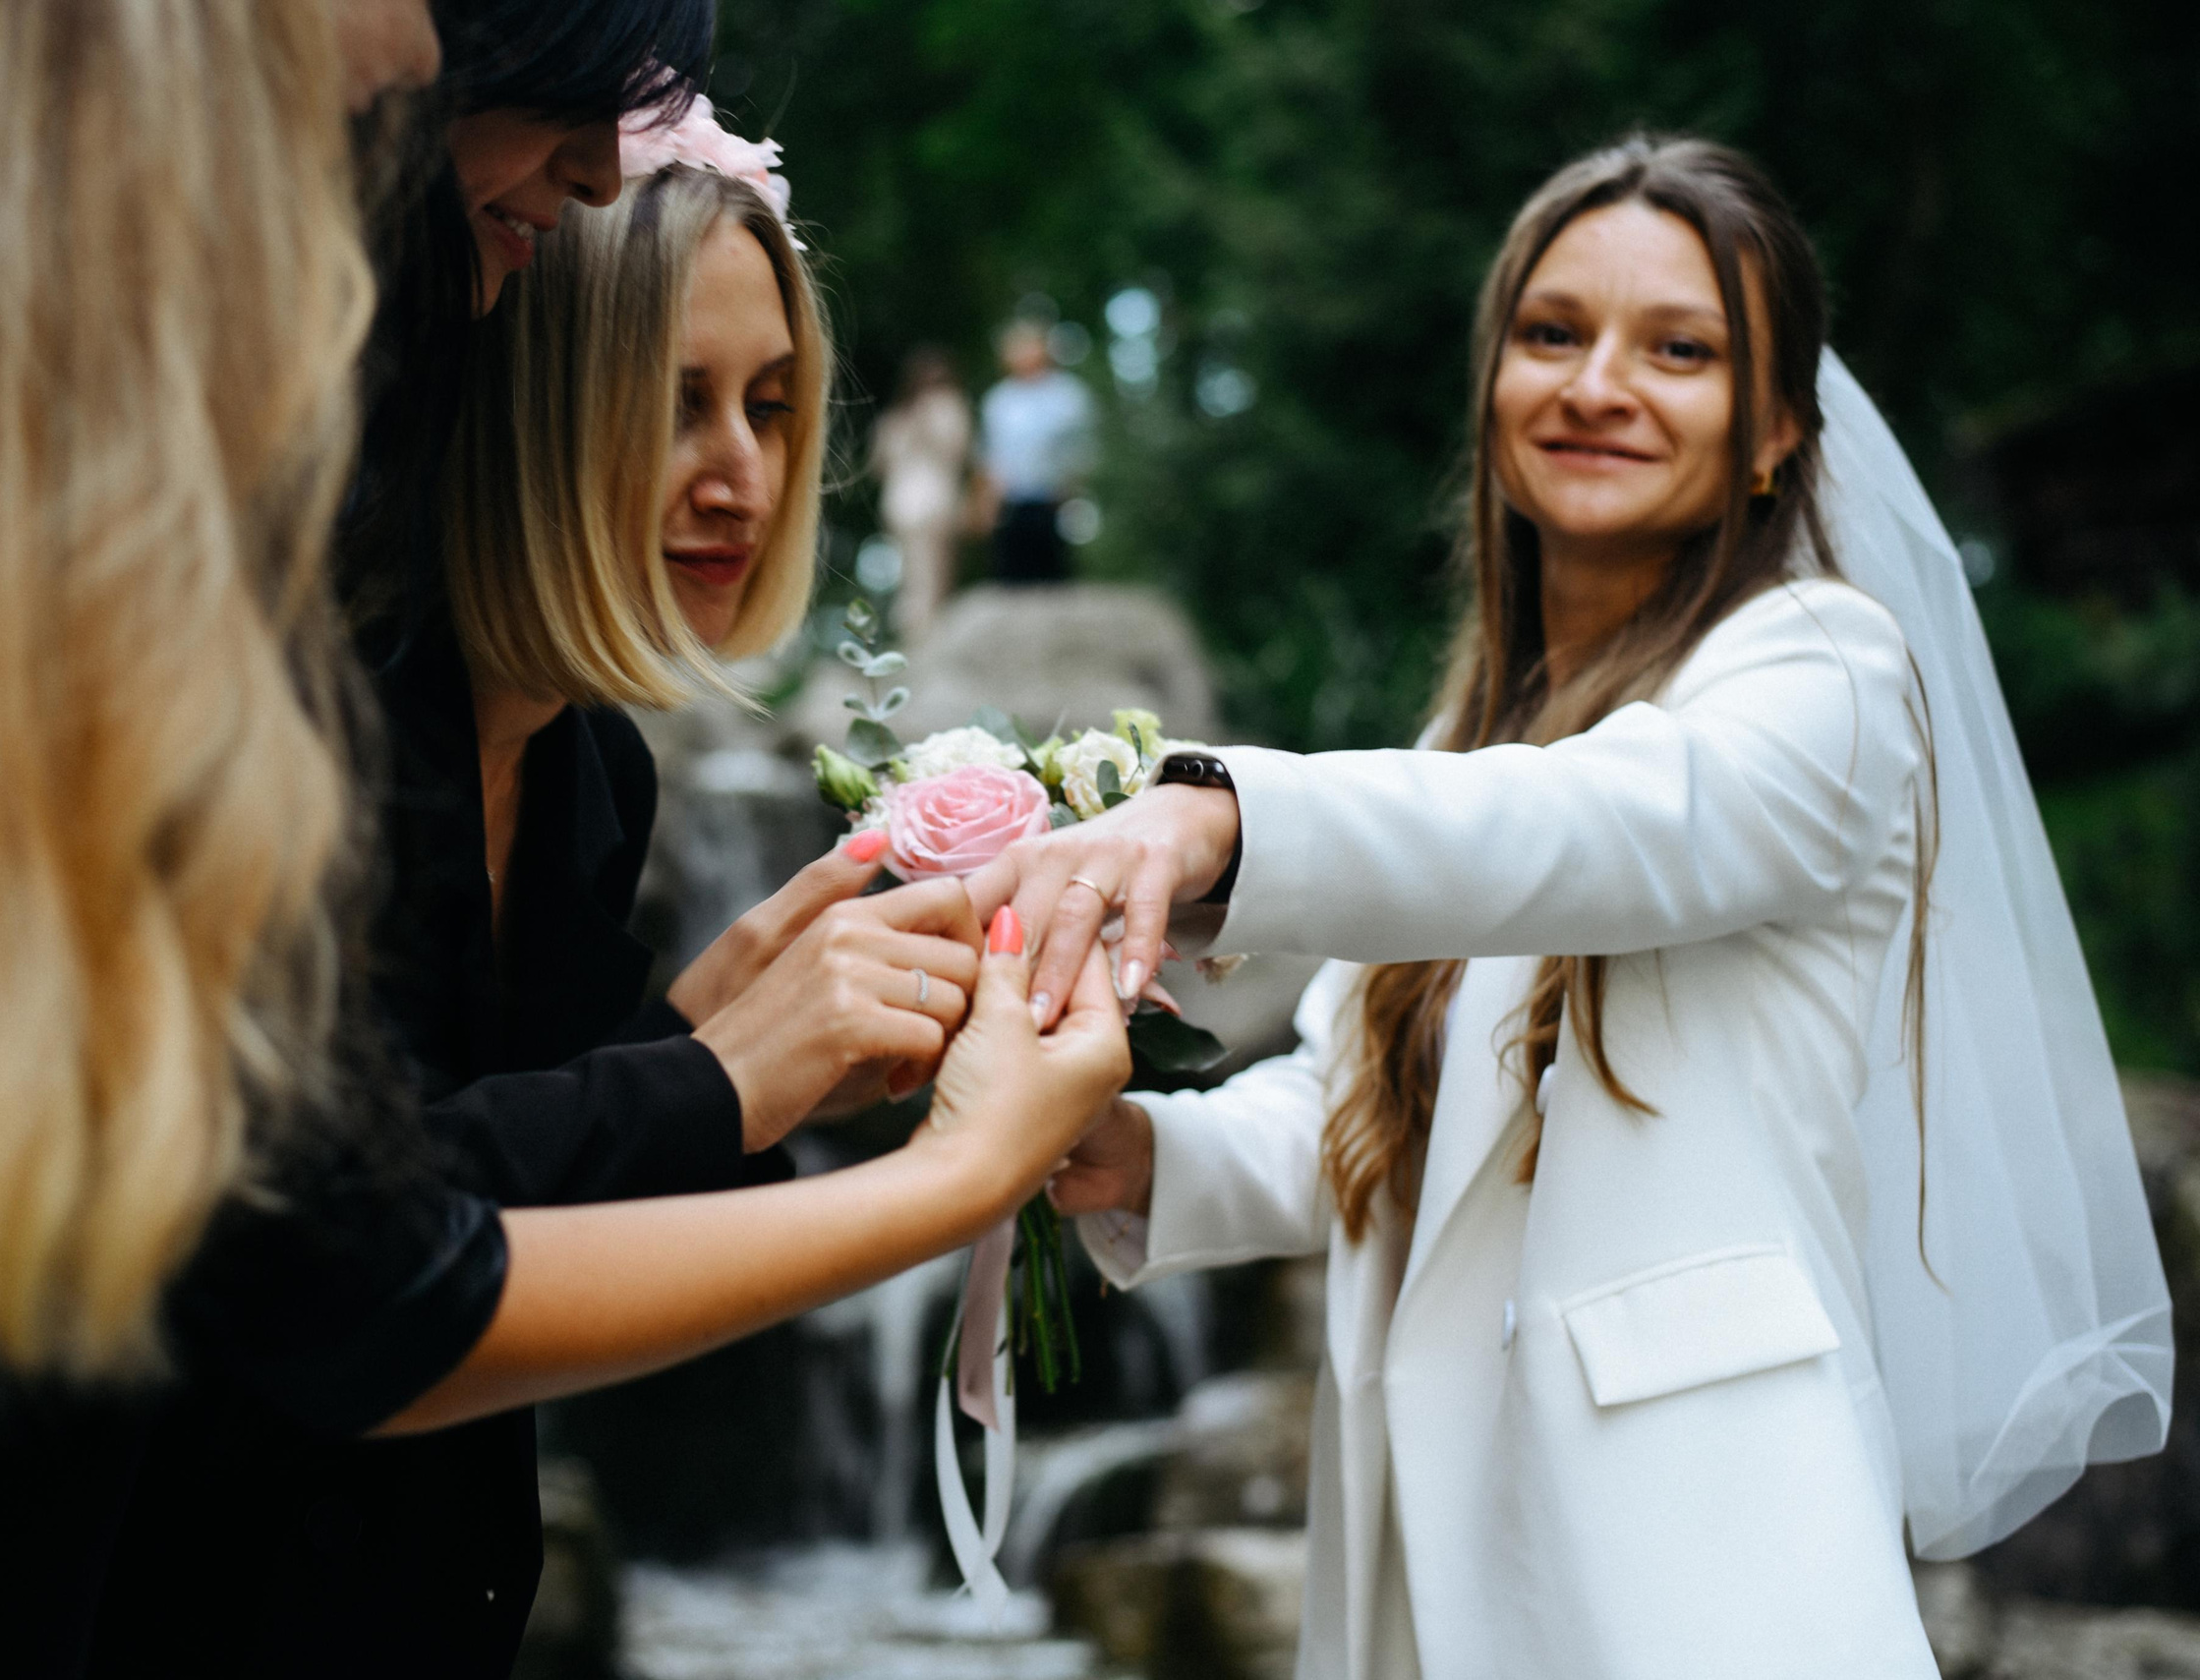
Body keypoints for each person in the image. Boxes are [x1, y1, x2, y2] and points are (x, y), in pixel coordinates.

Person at [0, 6, 1130, 1677]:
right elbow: (331, 1281)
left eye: (777, 404)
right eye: (672, 400)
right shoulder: (253, 724)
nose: (738, 474)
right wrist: (885, 1142)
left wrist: (708, 1047)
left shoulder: (594, 777)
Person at [973, 136, 2171, 1678]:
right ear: (1494, 384)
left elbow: (1595, 828)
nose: (1599, 382)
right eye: (1554, 335)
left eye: (1680, 349)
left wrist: (1215, 812)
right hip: (1434, 1554)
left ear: (1774, 429)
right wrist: (1119, 1139)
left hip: (1709, 1563)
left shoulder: (1829, 671)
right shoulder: (1466, 740)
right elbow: (1352, 1110)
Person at [974, 319, 1095, 584]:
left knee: (1053, 574)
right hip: (1011, 502)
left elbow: (1081, 448)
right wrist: (986, 501)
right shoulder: (999, 401)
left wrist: (1072, 484)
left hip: (1054, 499)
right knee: (1011, 576)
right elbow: (990, 455)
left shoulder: (1067, 395)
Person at [873, 347, 974, 640]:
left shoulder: (948, 407)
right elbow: (881, 464)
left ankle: (928, 630)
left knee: (935, 571)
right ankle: (919, 631)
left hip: (935, 499)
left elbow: (956, 451)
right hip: (906, 502)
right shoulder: (897, 417)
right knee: (916, 572)